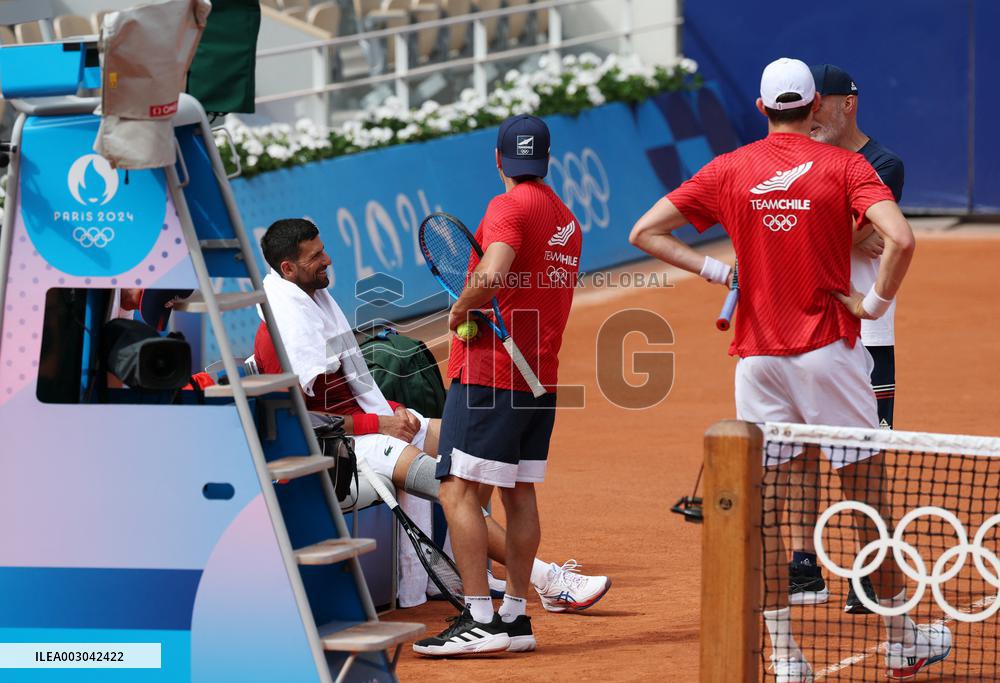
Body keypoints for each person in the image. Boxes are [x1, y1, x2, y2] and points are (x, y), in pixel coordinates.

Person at [629, 58, 948, 682]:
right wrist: (873, 304)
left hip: (757, 365)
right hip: (829, 351)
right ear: (815, 107)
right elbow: (902, 240)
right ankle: (901, 637)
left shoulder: (728, 169)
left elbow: (647, 231)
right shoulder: (847, 165)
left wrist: (723, 273)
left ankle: (786, 658)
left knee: (766, 514)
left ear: (761, 108)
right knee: (868, 501)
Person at [253, 217, 609, 612]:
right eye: (316, 256)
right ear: (288, 269)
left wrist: (393, 411)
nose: (328, 259)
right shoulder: (282, 329)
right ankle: (546, 580)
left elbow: (347, 388)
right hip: (331, 449)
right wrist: (380, 424)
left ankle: (465, 564)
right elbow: (304, 421)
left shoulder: (314, 304)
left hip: (362, 432)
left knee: (470, 450)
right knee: (449, 490)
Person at [414, 114, 606, 657]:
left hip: (490, 376)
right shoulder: (566, 218)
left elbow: (494, 273)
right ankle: (516, 618)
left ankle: (478, 618)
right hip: (538, 375)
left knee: (456, 490)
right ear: (546, 161)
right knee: (518, 492)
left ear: (498, 160)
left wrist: (459, 308)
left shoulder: (507, 206)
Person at [785, 63, 907, 614]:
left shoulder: (882, 164)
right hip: (811, 333)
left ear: (846, 104)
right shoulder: (805, 160)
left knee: (863, 463)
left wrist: (810, 233)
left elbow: (868, 231)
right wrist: (845, 233)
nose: (813, 113)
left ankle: (867, 574)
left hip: (870, 335)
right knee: (803, 456)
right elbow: (851, 233)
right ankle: (805, 567)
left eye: (821, 103)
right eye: (807, 104)